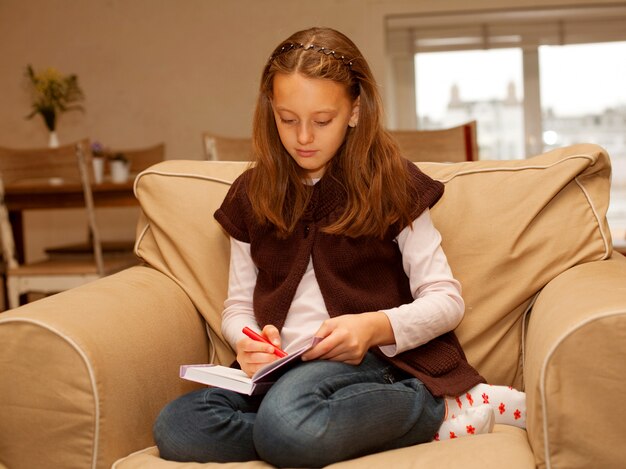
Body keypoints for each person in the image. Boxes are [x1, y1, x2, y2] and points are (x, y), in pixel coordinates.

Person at [153, 26, 524, 467]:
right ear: (270, 109)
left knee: (288, 420)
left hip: (373, 364)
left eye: (322, 120)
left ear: (354, 110)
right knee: (179, 427)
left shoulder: (392, 183)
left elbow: (446, 301)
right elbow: (237, 304)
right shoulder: (250, 194)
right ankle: (311, 430)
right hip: (277, 374)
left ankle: (438, 408)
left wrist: (371, 327)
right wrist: (245, 340)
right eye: (287, 119)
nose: (303, 137)